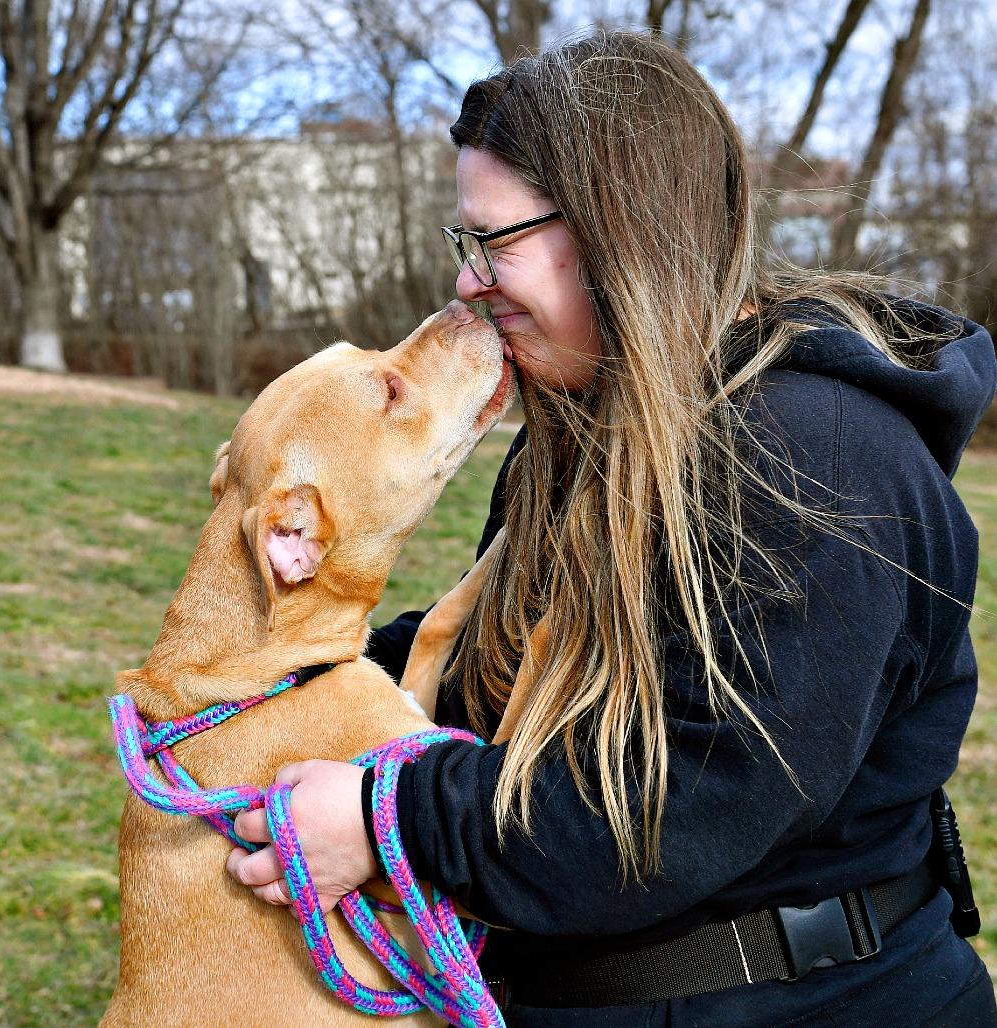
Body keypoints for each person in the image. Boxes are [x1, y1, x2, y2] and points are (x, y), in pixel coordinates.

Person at [226, 31, 997, 1026]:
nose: (468, 282)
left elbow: (663, 810)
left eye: (491, 241)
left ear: (619, 226)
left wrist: (387, 821)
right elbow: (497, 676)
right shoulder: (588, 431)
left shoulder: (818, 458)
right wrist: (296, 679)